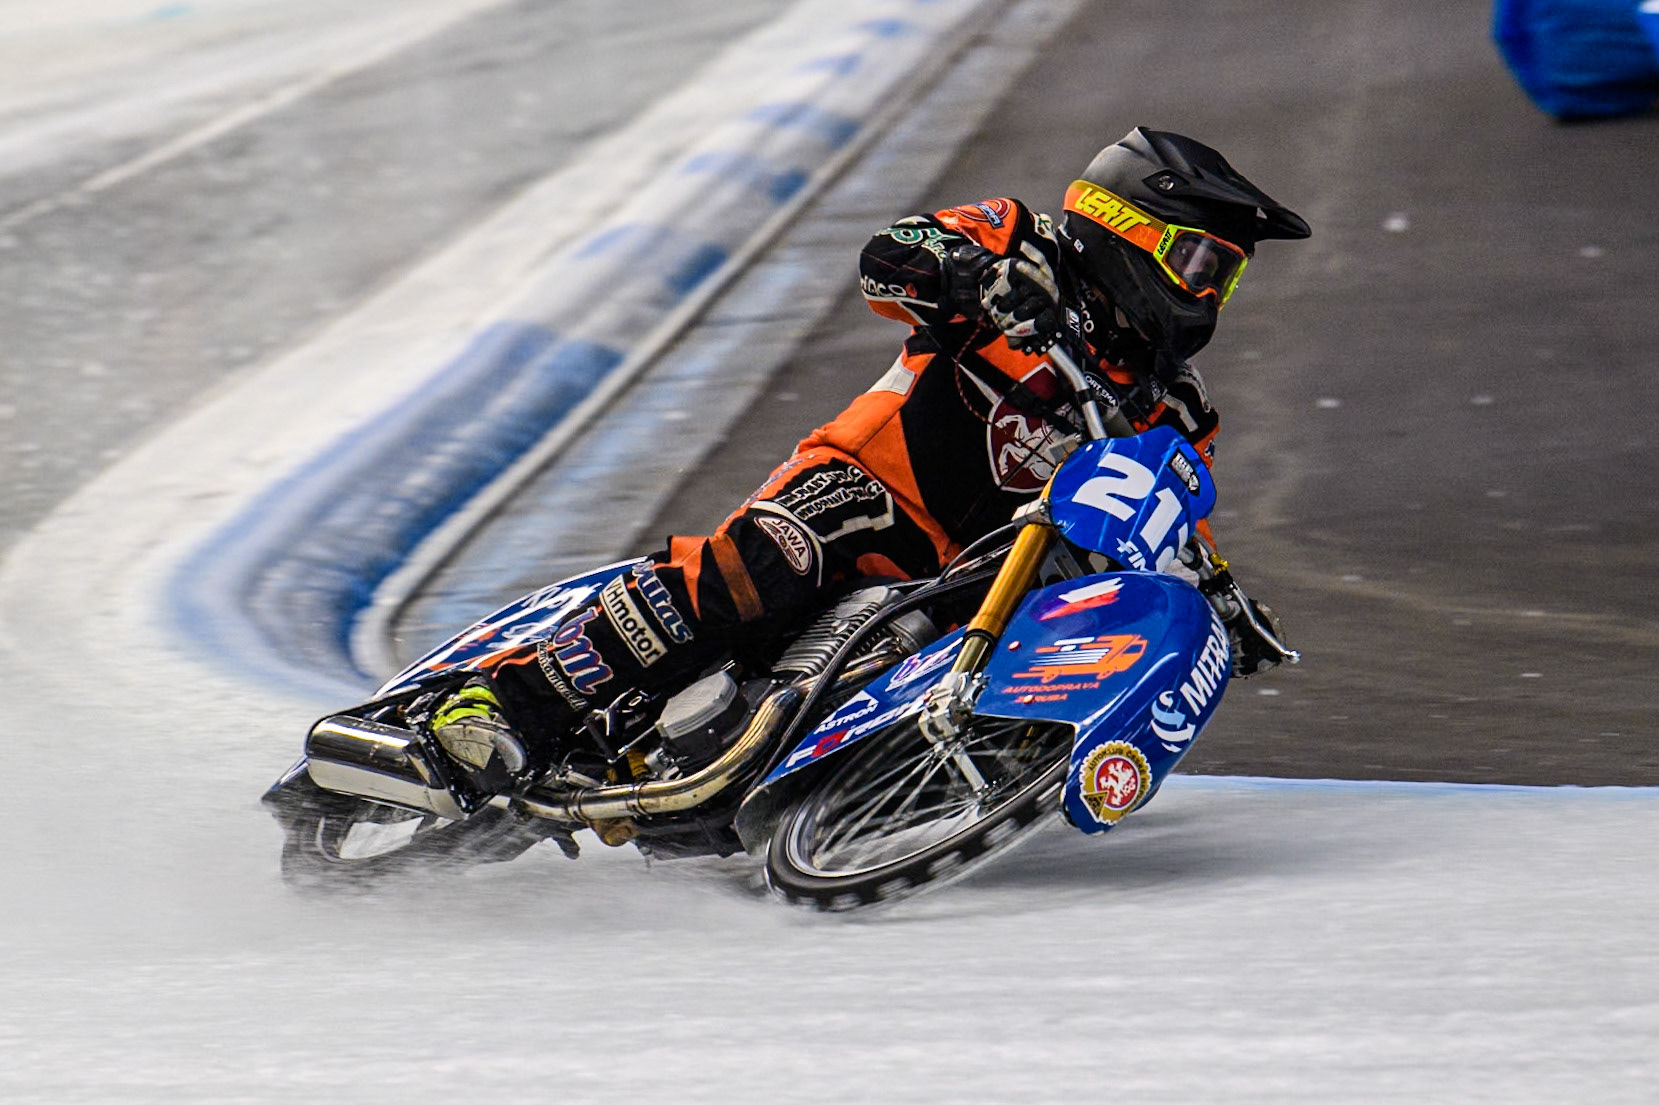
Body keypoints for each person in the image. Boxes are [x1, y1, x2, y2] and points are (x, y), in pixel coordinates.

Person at [430, 126, 1311, 797]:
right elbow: (891, 256)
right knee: (757, 572)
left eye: (1222, 277)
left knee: (1063, 623)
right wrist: (971, 275)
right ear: (1125, 225)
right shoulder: (1018, 242)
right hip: (870, 486)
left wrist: (1218, 595)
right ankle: (502, 706)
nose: (1206, 293)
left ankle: (873, 782)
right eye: (1197, 261)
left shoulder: (1171, 403)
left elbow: (1167, 505)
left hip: (983, 566)